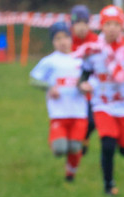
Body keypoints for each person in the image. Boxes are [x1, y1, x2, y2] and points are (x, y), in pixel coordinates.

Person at [75, 4, 124, 196]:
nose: (112, 28)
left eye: (116, 24)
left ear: (122, 27)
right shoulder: (94, 50)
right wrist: (83, 84)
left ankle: (117, 139)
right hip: (102, 103)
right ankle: (109, 185)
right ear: (101, 27)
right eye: (108, 24)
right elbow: (84, 73)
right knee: (107, 144)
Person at [29, 21, 88, 181]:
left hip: (79, 112)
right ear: (53, 42)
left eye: (65, 37)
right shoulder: (50, 61)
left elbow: (92, 79)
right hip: (59, 113)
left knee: (75, 147)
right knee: (60, 148)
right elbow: (33, 79)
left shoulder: (81, 59)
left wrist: (86, 87)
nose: (62, 41)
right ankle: (56, 145)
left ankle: (71, 171)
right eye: (57, 38)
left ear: (71, 38)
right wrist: (49, 87)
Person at [69, 4, 98, 154]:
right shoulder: (67, 42)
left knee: (92, 121)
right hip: (70, 88)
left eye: (84, 23)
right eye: (77, 23)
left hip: (90, 88)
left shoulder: (96, 41)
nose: (81, 27)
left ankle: (84, 138)